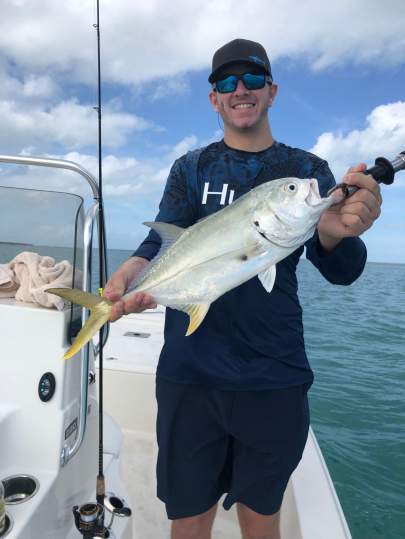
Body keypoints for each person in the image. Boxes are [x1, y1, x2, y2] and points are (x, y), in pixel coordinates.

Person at [103, 39, 382, 539]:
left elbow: (341, 269)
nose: (240, 90)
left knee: (260, 517)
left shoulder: (305, 173)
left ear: (271, 91)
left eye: (252, 80)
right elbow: (159, 240)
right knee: (188, 518)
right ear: (214, 99)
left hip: (273, 375)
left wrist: (340, 236)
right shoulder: (191, 168)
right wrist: (131, 273)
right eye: (226, 82)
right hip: (190, 372)